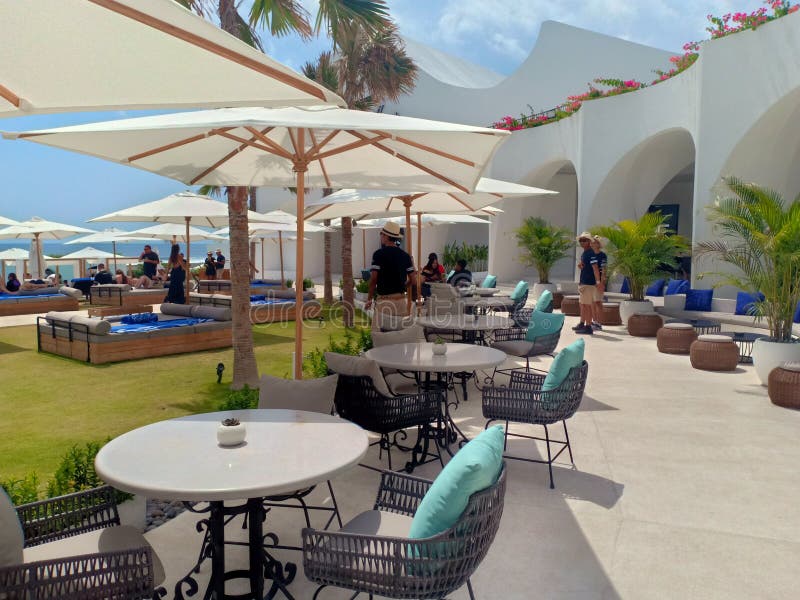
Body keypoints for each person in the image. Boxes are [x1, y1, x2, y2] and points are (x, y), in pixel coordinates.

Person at [364, 222, 417, 331]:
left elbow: (374, 279)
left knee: (380, 336)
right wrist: (402, 287)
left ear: (387, 236)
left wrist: (369, 299)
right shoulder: (405, 256)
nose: (381, 236)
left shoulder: (378, 254)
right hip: (401, 302)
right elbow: (413, 280)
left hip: (384, 303)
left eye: (381, 234)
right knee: (399, 337)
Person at [574, 232, 602, 335]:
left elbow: (595, 268)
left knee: (587, 305)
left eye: (584, 240)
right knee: (584, 305)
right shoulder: (585, 253)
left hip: (589, 283)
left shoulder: (590, 253)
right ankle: (584, 324)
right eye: (580, 240)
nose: (582, 242)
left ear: (589, 242)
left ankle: (588, 326)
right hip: (584, 282)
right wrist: (581, 266)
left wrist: (598, 282)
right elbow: (588, 267)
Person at [590, 236, 608, 330]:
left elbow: (604, 270)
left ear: (598, 244)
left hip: (599, 282)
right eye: (592, 242)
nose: (592, 243)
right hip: (590, 282)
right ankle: (594, 321)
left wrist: (601, 283)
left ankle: (599, 323)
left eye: (595, 242)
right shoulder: (589, 254)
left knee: (598, 302)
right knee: (592, 302)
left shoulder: (602, 255)